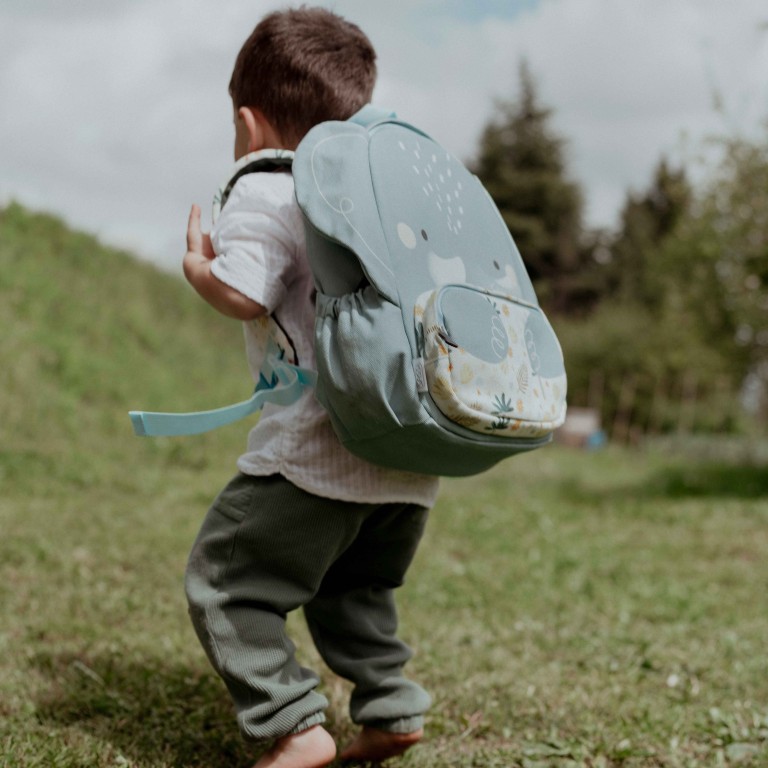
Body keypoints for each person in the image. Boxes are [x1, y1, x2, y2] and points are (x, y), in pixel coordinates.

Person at [181, 8, 440, 767]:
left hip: (316, 454)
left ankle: (292, 725)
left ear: (249, 123)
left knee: (226, 583)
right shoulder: (384, 198)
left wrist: (203, 272)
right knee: (354, 589)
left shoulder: (269, 185)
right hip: (406, 456)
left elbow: (249, 292)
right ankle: (392, 708)